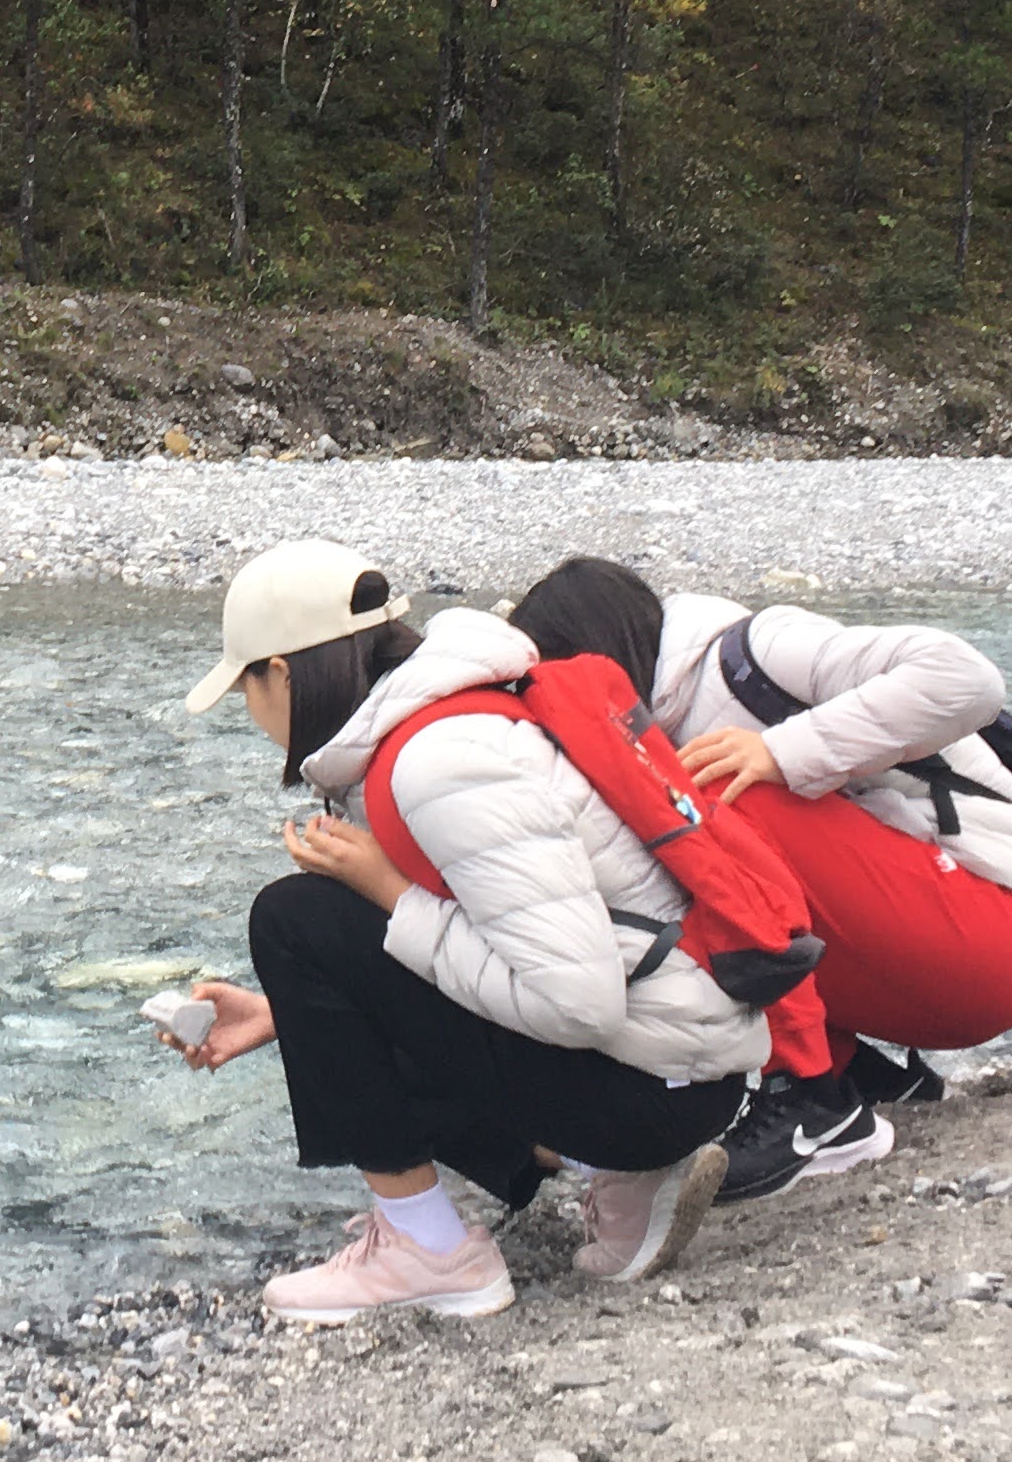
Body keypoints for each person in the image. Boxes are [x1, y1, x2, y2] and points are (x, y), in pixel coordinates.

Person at [157, 540, 776, 1324]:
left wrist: (385, 893)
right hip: (683, 1064)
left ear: (279, 673)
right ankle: (617, 1177)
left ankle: (429, 1249)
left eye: (244, 685)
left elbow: (579, 1003)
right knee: (331, 941)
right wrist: (293, 1016)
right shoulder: (455, 710)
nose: (248, 714)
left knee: (295, 920)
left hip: (650, 1086)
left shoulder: (437, 762)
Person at [509, 553, 1012, 1185]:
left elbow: (968, 679)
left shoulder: (758, 651)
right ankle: (854, 1074)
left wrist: (783, 752)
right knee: (659, 835)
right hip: (927, 961)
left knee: (703, 809)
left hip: (1001, 927)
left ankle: (813, 1102)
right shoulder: (655, 720)